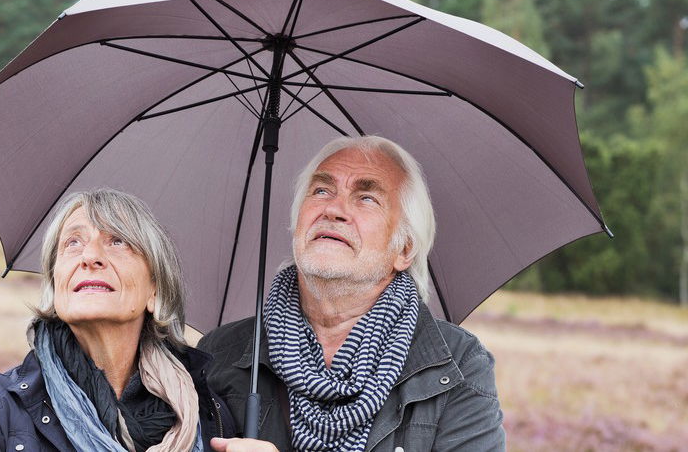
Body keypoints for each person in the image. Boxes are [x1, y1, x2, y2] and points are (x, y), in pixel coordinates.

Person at [0, 189, 235, 451]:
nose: (90, 255)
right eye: (72, 242)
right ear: (56, 284)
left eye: (117, 240)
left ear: (155, 289)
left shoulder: (208, 414)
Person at [198, 136, 505, 452]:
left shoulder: (457, 367)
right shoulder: (219, 355)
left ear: (405, 248)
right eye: (321, 191)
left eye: (367, 198)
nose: (333, 209)